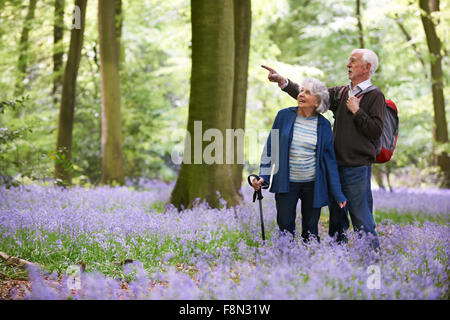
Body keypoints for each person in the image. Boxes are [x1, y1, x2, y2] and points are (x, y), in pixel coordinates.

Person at [262, 48, 385, 249]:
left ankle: (370, 258)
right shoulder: (342, 92)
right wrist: (284, 82)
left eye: (353, 61)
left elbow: (375, 131)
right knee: (337, 219)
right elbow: (314, 97)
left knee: (360, 216)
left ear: (367, 67)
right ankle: (337, 257)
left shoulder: (375, 96)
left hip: (357, 168)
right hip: (334, 167)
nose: (348, 65)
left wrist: (357, 111)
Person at [252, 77, 347, 243]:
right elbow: (270, 148)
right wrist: (264, 176)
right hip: (286, 183)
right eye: (301, 90)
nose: (301, 94)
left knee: (310, 229)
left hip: (313, 184)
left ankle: (308, 264)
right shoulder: (283, 116)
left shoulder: (324, 125)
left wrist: (338, 195)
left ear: (317, 101)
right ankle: (285, 262)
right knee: (285, 225)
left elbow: (330, 163)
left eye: (307, 92)